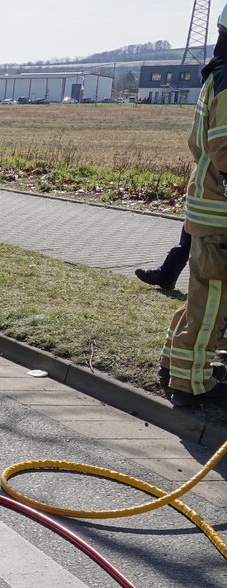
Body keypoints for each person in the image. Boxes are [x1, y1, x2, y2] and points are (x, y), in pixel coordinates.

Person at [162, 5, 227, 406]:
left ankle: (175, 364)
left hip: (209, 207)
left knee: (204, 295)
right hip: (221, 214)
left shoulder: (217, 75)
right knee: (213, 301)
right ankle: (192, 386)